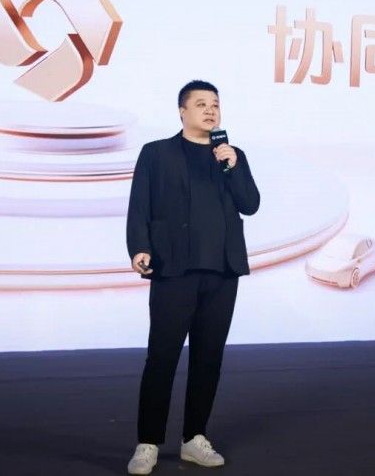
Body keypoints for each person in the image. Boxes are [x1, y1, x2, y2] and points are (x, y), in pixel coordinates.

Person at [125, 80, 260, 475]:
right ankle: (148, 443)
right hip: (174, 269)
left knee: (208, 358)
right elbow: (140, 205)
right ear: (182, 111)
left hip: (222, 271)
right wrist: (139, 247)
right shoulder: (156, 153)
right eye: (201, 104)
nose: (210, 110)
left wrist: (232, 166)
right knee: (162, 357)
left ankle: (194, 438)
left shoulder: (232, 155)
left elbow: (250, 204)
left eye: (215, 104)